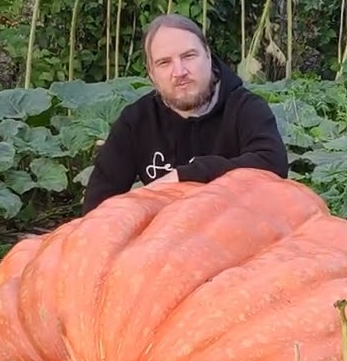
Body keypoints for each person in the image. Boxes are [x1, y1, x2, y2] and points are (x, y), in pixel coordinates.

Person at [80, 14, 289, 214]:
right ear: (151, 74)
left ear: (208, 56)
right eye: (164, 62)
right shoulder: (136, 121)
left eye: (189, 56)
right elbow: (99, 203)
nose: (179, 72)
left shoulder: (245, 108)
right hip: (166, 233)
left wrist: (184, 176)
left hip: (241, 229)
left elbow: (272, 164)